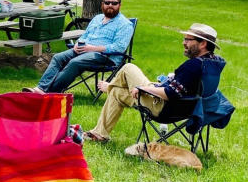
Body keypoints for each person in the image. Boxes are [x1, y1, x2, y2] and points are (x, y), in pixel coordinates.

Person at [85, 23, 222, 143]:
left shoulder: (193, 65)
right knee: (117, 92)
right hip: (187, 109)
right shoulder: (213, 63)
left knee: (128, 68)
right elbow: (186, 86)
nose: (184, 42)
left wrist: (143, 88)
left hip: (164, 108)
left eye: (188, 39)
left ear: (203, 44)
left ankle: (109, 90)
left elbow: (170, 94)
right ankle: (100, 131)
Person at [24, 0, 133, 94]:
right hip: (84, 50)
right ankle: (41, 88)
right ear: (102, 4)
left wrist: (92, 48)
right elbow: (85, 36)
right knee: (58, 57)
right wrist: (78, 43)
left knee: (74, 63)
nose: (110, 5)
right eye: (107, 2)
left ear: (119, 5)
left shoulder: (124, 24)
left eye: (114, 3)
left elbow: (119, 47)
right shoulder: (97, 18)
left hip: (106, 57)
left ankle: (48, 93)